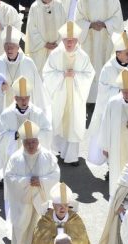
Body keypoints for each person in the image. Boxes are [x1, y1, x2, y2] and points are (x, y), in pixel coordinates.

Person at [87, 31, 128, 166]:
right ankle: (111, 167)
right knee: (114, 141)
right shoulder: (108, 69)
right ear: (118, 54)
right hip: (114, 113)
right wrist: (121, 90)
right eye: (126, 53)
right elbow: (103, 92)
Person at [3, 120, 60, 244]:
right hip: (23, 203)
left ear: (38, 141)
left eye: (33, 142)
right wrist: (27, 181)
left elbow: (55, 175)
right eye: (27, 143)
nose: (31, 146)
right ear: (22, 143)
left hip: (41, 200)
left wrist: (41, 181)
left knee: (40, 228)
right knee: (23, 228)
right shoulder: (15, 158)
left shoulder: (48, 156)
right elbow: (9, 177)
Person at [42, 20, 95, 166]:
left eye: (72, 40)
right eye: (66, 40)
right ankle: (58, 150)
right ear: (62, 39)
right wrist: (62, 75)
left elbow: (90, 73)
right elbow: (46, 73)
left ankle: (72, 157)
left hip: (75, 96)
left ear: (77, 40)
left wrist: (76, 75)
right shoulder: (56, 54)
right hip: (59, 96)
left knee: (73, 123)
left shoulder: (83, 56)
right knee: (58, 121)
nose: (69, 43)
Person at [0, 26, 48, 130]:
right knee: (7, 137)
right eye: (6, 46)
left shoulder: (28, 63)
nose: (9, 49)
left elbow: (37, 88)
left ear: (18, 47)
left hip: (24, 108)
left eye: (12, 46)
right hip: (4, 107)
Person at [0, 76, 52, 180]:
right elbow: (0, 136)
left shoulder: (37, 113)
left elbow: (47, 131)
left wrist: (34, 136)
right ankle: (8, 180)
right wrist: (15, 135)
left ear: (30, 97)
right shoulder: (6, 114)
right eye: (21, 98)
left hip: (32, 148)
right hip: (14, 149)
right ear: (15, 98)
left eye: (26, 98)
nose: (24, 101)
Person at [74, 0, 123, 103]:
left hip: (107, 42)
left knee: (106, 70)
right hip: (88, 43)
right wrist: (90, 25)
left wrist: (106, 24)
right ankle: (89, 102)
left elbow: (118, 20)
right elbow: (78, 21)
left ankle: (106, 99)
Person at [25, 0, 67, 75]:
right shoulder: (35, 7)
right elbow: (31, 29)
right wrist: (43, 44)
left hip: (56, 49)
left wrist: (58, 43)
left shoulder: (59, 5)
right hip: (40, 51)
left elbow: (64, 26)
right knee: (40, 78)